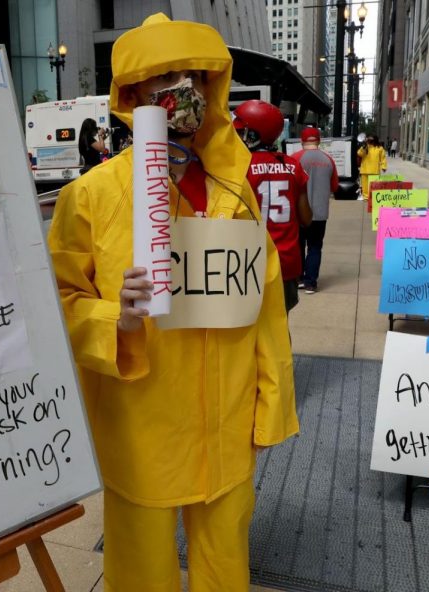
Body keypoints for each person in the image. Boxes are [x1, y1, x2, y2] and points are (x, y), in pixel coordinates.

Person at [47, 13, 298, 591]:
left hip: (226, 425)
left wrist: (269, 402)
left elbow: (264, 309)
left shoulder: (235, 192)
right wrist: (117, 317)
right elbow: (59, 303)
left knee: (225, 562)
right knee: (141, 571)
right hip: (143, 431)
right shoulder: (92, 196)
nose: (181, 88)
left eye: (192, 75)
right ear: (132, 95)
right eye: (164, 76)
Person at [233, 99, 311, 310]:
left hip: (247, 263)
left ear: (252, 135)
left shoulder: (238, 168)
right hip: (287, 262)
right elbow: (306, 218)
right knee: (279, 327)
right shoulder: (293, 166)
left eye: (240, 132)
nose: (235, 136)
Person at [293, 127, 339, 295]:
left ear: (302, 140)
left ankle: (298, 278)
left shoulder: (294, 159)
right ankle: (310, 283)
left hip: (298, 212)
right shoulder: (328, 160)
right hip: (320, 213)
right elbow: (334, 186)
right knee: (315, 247)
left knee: (298, 245)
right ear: (319, 141)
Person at [357, 135, 387, 202]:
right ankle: (365, 197)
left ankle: (373, 198)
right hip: (365, 170)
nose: (370, 140)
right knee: (365, 186)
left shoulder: (380, 148)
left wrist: (383, 166)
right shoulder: (365, 147)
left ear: (375, 139)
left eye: (371, 139)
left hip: (374, 170)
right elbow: (359, 153)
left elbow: (383, 158)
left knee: (374, 186)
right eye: (368, 139)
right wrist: (364, 146)